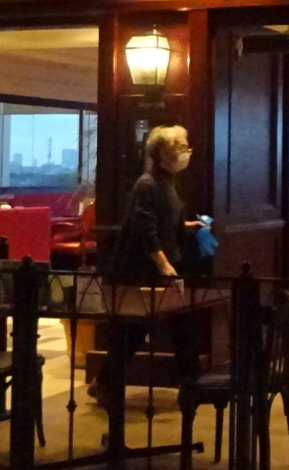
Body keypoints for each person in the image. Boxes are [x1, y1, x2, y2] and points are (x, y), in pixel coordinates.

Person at [88, 125, 205, 409]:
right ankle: (108, 383)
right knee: (140, 329)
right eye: (182, 147)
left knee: (173, 325)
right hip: (145, 267)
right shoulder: (148, 184)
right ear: (163, 153)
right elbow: (145, 227)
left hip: (164, 264)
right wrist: (163, 263)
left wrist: (186, 226)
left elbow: (163, 218)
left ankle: (189, 385)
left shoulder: (168, 181)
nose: (187, 152)